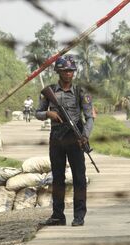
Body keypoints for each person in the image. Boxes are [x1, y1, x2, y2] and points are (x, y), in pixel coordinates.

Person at [35, 55, 94, 227]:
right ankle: (58, 215)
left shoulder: (80, 91)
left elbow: (89, 117)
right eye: (65, 71)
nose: (68, 74)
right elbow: (37, 113)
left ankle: (79, 215)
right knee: (58, 178)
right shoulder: (50, 91)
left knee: (79, 178)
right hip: (56, 138)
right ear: (58, 72)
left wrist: (85, 136)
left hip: (75, 138)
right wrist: (48, 114)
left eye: (71, 71)